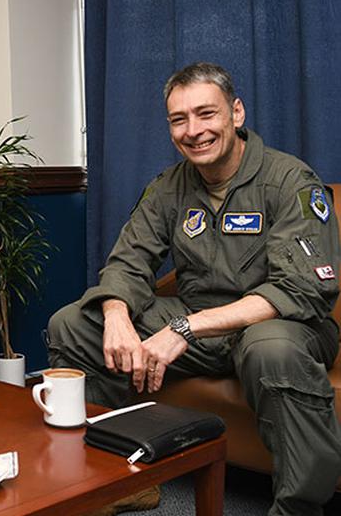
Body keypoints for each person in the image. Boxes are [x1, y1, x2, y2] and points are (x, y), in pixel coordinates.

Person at [48, 62, 341, 516]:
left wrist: (183, 329)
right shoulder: (168, 188)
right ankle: (116, 481)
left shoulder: (290, 181)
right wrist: (116, 316)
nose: (194, 131)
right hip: (202, 328)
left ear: (236, 113)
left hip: (281, 326)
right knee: (73, 323)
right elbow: (128, 261)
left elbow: (299, 291)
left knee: (269, 347)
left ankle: (298, 508)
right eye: (179, 119)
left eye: (206, 114)